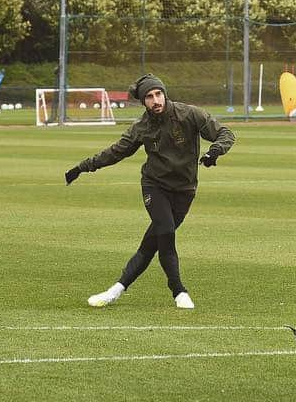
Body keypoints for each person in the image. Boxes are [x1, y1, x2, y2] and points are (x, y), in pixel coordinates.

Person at [65, 73, 235, 309]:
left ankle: (116, 289)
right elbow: (115, 152)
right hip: (154, 186)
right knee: (165, 231)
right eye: (149, 97)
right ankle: (178, 290)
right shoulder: (141, 127)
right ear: (143, 101)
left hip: (185, 190)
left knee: (152, 243)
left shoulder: (189, 114)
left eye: (158, 94)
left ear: (165, 94)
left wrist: (215, 151)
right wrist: (82, 167)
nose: (156, 100)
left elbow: (226, 133)